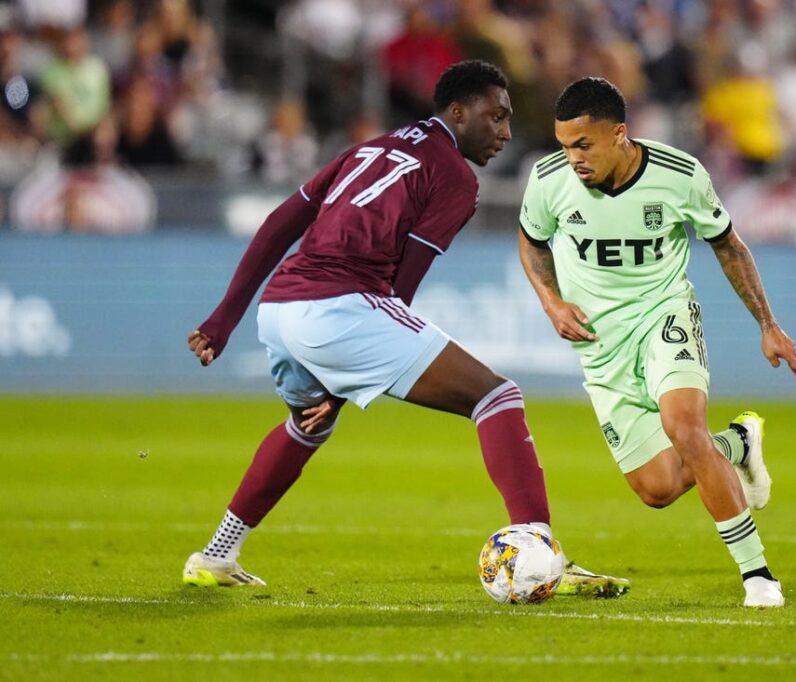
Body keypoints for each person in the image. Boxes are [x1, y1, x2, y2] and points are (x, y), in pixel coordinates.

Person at [182, 60, 626, 597]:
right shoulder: (456, 177)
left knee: (308, 425)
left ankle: (218, 553)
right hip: (339, 307)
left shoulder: (373, 147)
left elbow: (282, 222)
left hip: (279, 307)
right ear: (458, 114)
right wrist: (341, 381)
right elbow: (401, 285)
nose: (506, 133)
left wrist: (223, 319)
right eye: (496, 117)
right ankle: (541, 548)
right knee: (498, 398)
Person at [517, 77, 796, 608]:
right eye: (563, 145)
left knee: (685, 428)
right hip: (600, 344)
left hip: (663, 315)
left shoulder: (680, 176)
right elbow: (533, 241)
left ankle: (759, 577)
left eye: (583, 145)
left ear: (620, 135)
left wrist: (767, 323)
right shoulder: (548, 180)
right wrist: (551, 302)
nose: (572, 158)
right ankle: (739, 444)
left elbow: (728, 245)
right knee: (657, 488)